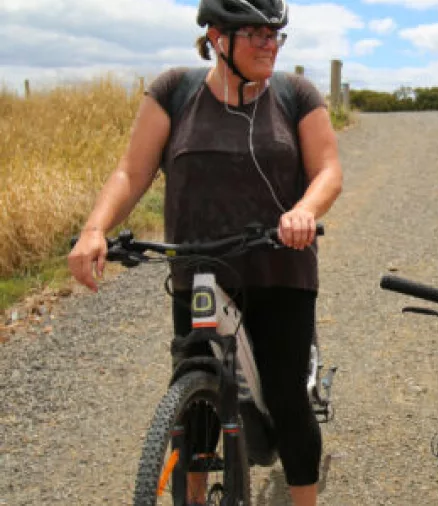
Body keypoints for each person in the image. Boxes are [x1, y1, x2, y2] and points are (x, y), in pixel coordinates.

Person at [67, 0, 342, 504]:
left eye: (275, 34)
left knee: (285, 398)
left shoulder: (295, 94)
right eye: (255, 34)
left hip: (279, 267)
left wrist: (304, 211)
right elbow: (132, 170)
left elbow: (327, 170)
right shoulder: (175, 92)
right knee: (195, 397)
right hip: (199, 271)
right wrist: (95, 230)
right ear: (218, 37)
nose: (269, 44)